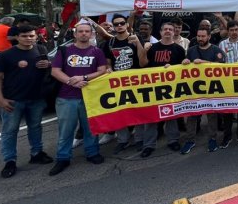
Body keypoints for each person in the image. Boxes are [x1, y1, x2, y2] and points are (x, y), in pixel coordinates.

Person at [0, 25, 54, 178]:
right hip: (13, 99)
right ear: (17, 37)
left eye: (32, 36)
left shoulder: (41, 50)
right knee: (10, 131)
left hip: (36, 98)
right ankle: (10, 161)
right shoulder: (5, 55)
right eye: (25, 36)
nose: (29, 38)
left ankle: (36, 153)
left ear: (36, 36)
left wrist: (49, 65)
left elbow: (48, 69)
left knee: (35, 127)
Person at [48, 21, 108, 175]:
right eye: (80, 31)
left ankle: (92, 152)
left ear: (91, 34)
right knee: (66, 130)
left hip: (90, 97)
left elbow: (102, 70)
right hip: (66, 97)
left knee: (90, 128)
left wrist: (84, 77)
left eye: (87, 31)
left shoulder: (97, 52)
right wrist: (71, 81)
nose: (84, 34)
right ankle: (63, 158)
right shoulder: (64, 51)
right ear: (75, 34)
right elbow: (55, 71)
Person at [140, 22, 187, 157]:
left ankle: (173, 140)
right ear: (160, 32)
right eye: (165, 29)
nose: (167, 31)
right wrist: (144, 50)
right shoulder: (152, 48)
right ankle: (149, 145)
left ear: (174, 32)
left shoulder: (178, 49)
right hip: (153, 88)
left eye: (170, 29)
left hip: (170, 88)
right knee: (151, 116)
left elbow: (183, 71)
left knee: (171, 115)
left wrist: (176, 67)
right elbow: (143, 65)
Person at [102, 14, 148, 153]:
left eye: (122, 23)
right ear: (113, 27)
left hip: (136, 82)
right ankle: (123, 140)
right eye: (116, 24)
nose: (119, 26)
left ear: (127, 24)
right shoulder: (109, 44)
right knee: (119, 113)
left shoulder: (137, 38)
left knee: (138, 111)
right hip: (118, 84)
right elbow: (108, 63)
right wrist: (108, 69)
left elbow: (144, 62)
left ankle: (139, 139)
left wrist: (138, 44)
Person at [179, 28, 227, 154]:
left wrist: (204, 63)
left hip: (211, 89)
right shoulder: (191, 51)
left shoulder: (216, 50)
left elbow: (222, 68)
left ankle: (212, 139)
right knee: (192, 115)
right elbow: (184, 68)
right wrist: (184, 63)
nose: (200, 38)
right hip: (194, 89)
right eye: (198, 36)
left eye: (203, 36)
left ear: (209, 36)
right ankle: (190, 140)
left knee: (211, 115)